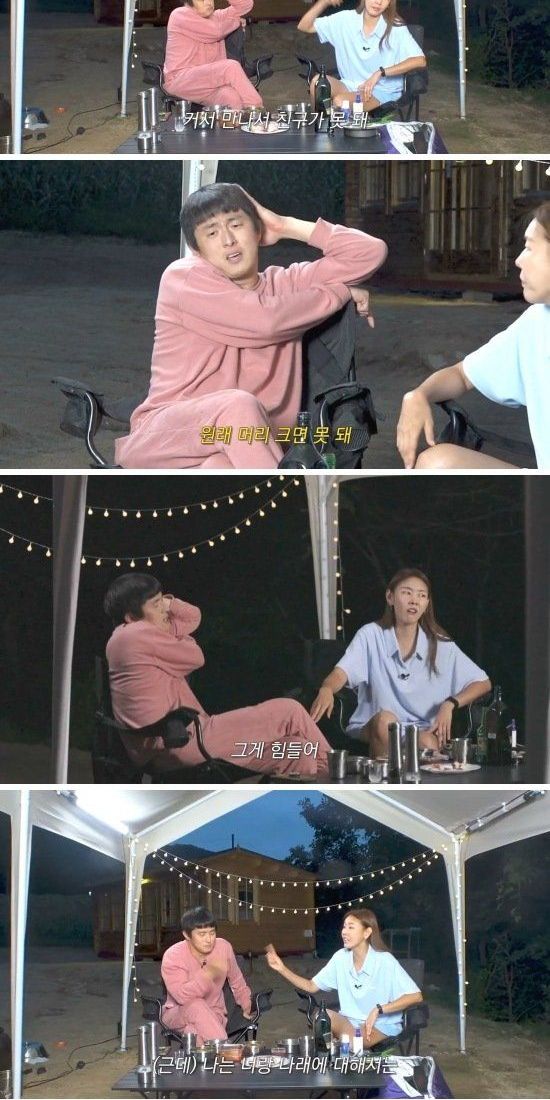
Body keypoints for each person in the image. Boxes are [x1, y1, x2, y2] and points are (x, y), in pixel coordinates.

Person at [114, 182, 387, 469]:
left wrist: (284, 225)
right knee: (237, 407)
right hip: (167, 436)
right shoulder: (184, 278)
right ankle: (295, 495)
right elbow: (266, 321)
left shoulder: (286, 285)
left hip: (244, 444)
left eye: (236, 224)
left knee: (220, 467)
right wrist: (341, 291)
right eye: (212, 232)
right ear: (197, 249)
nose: (228, 240)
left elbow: (370, 252)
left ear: (257, 230)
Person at [104, 573, 332, 778]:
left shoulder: (125, 637)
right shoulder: (137, 635)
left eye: (163, 600)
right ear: (131, 616)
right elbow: (196, 656)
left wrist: (168, 605)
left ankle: (286, 801)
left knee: (298, 752)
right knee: (289, 711)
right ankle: (338, 774)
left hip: (171, 745)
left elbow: (193, 617)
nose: (164, 609)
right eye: (156, 605)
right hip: (181, 742)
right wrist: (180, 636)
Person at [397, 200, 550, 470]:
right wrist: (418, 395)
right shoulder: (536, 323)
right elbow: (463, 375)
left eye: (529, 247)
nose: (518, 260)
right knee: (438, 464)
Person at [310, 568, 491, 755]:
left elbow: (483, 682)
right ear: (390, 597)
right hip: (375, 724)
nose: (414, 600)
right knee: (385, 722)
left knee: (428, 743)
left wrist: (450, 703)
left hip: (420, 728)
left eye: (421, 595)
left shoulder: (440, 644)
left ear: (427, 604)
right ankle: (383, 774)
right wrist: (327, 688)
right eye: (407, 593)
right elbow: (342, 672)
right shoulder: (370, 634)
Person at [266, 908, 422, 1046]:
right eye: (344, 927)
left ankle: (339, 1048)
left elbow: (416, 996)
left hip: (380, 1025)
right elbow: (311, 986)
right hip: (350, 1023)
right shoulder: (340, 958)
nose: (344, 932)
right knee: (321, 1018)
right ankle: (328, 1059)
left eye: (351, 927)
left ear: (367, 933)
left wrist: (379, 1009)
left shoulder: (384, 961)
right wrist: (282, 968)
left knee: (352, 1041)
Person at [297, 0, 426, 111]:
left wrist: (381, 72)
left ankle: (333, 125)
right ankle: (322, 128)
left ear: (389, 3)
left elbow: (420, 60)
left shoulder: (395, 27)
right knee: (318, 83)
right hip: (350, 85)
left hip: (381, 91)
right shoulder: (345, 20)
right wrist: (324, 2)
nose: (378, 2)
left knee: (341, 102)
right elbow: (304, 26)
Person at [161, 907, 253, 1045]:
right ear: (186, 935)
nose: (209, 939)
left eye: (212, 933)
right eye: (202, 934)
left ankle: (211, 1057)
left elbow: (237, 980)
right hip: (178, 1013)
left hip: (214, 1013)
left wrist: (246, 1005)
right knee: (196, 1005)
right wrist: (207, 974)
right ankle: (225, 1050)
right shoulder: (173, 955)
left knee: (192, 1032)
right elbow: (182, 996)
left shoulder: (223, 948)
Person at [163, 0, 263, 110]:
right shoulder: (180, 15)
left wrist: (233, 20)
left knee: (231, 97)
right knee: (230, 67)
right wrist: (235, 20)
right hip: (181, 80)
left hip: (208, 84)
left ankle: (235, 121)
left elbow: (246, 5)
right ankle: (257, 110)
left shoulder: (217, 17)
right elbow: (216, 31)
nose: (208, 2)